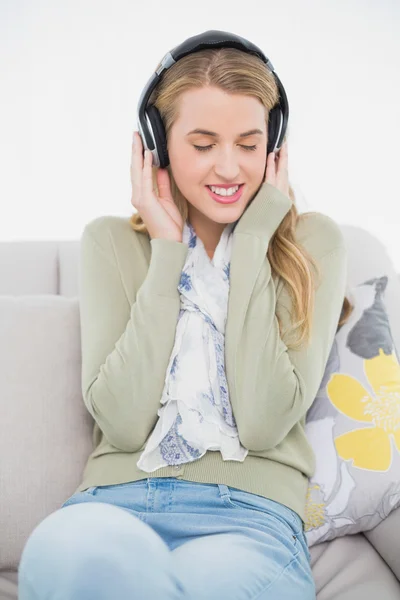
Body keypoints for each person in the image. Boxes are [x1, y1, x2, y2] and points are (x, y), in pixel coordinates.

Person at [18, 31, 352, 600]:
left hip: (249, 520)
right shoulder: (109, 244)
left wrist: (251, 244)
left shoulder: (313, 243)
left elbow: (264, 422)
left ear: (274, 148)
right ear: (159, 145)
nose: (230, 168)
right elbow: (122, 423)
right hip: (110, 507)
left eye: (248, 144)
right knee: (65, 565)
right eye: (203, 144)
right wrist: (168, 252)